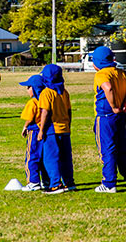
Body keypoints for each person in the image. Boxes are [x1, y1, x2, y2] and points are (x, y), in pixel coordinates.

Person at [91, 46, 126, 193]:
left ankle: (109, 183)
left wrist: (113, 106)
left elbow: (108, 88)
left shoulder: (101, 74)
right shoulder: (121, 72)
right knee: (121, 148)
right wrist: (125, 103)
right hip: (120, 114)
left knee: (107, 149)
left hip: (106, 115)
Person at [37, 64, 74, 194]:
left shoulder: (46, 93)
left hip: (52, 129)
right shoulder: (64, 92)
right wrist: (68, 125)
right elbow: (69, 111)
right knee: (66, 158)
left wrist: (41, 130)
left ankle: (56, 184)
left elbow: (45, 112)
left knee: (51, 158)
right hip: (65, 129)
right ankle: (69, 182)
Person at [19, 74, 50, 191]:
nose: (27, 90)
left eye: (29, 87)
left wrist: (25, 127)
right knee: (43, 157)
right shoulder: (45, 100)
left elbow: (29, 118)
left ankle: (33, 181)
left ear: (35, 88)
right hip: (45, 130)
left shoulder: (32, 102)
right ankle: (46, 181)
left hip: (34, 131)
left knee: (31, 156)